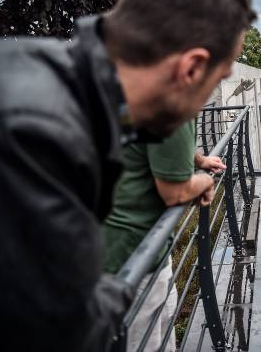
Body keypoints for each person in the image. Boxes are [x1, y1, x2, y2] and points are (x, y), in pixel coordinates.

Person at [0, 0, 255, 352]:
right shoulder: (38, 136)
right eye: (220, 76)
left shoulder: (50, 80)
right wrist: (130, 283)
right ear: (192, 69)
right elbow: (65, 328)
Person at [103, 120, 226, 351]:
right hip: (134, 258)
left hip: (128, 252)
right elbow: (176, 191)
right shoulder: (174, 99)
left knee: (163, 327)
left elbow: (163, 143)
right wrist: (205, 180)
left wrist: (200, 160)